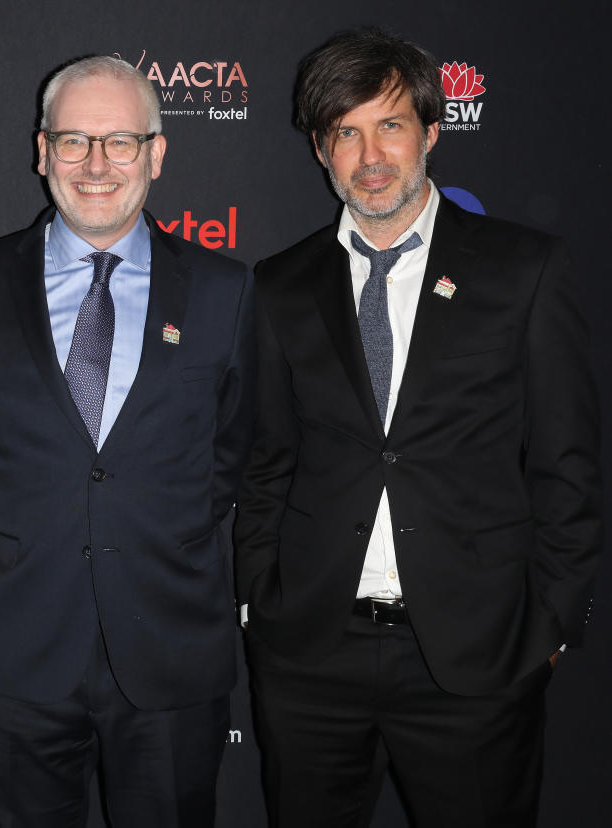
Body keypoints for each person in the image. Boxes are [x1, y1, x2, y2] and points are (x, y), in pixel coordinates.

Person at [234, 27, 601, 827]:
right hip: (311, 657)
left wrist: (551, 624)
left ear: (432, 132)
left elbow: (567, 463)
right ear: (320, 150)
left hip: (477, 658)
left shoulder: (523, 269)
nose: (370, 154)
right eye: (346, 132)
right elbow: (267, 460)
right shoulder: (280, 285)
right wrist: (260, 601)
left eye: (390, 125)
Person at [0, 56, 255, 827]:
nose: (98, 164)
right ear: (42, 152)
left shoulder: (225, 288)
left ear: (157, 152)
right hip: (20, 644)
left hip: (171, 646)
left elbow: (235, 454)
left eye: (120, 141)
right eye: (75, 141)